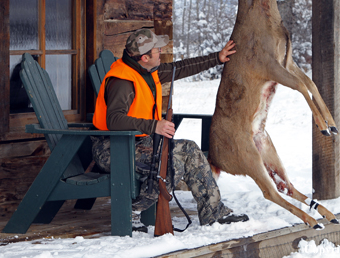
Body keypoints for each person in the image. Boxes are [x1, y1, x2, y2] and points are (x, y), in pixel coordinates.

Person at [91, 28, 248, 229]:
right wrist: (153, 125)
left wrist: (216, 58)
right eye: (157, 50)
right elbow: (114, 120)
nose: (161, 51)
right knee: (173, 163)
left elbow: (179, 68)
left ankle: (213, 213)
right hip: (113, 148)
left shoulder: (146, 70)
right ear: (145, 57)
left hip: (140, 142)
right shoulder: (122, 82)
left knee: (190, 149)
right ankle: (131, 209)